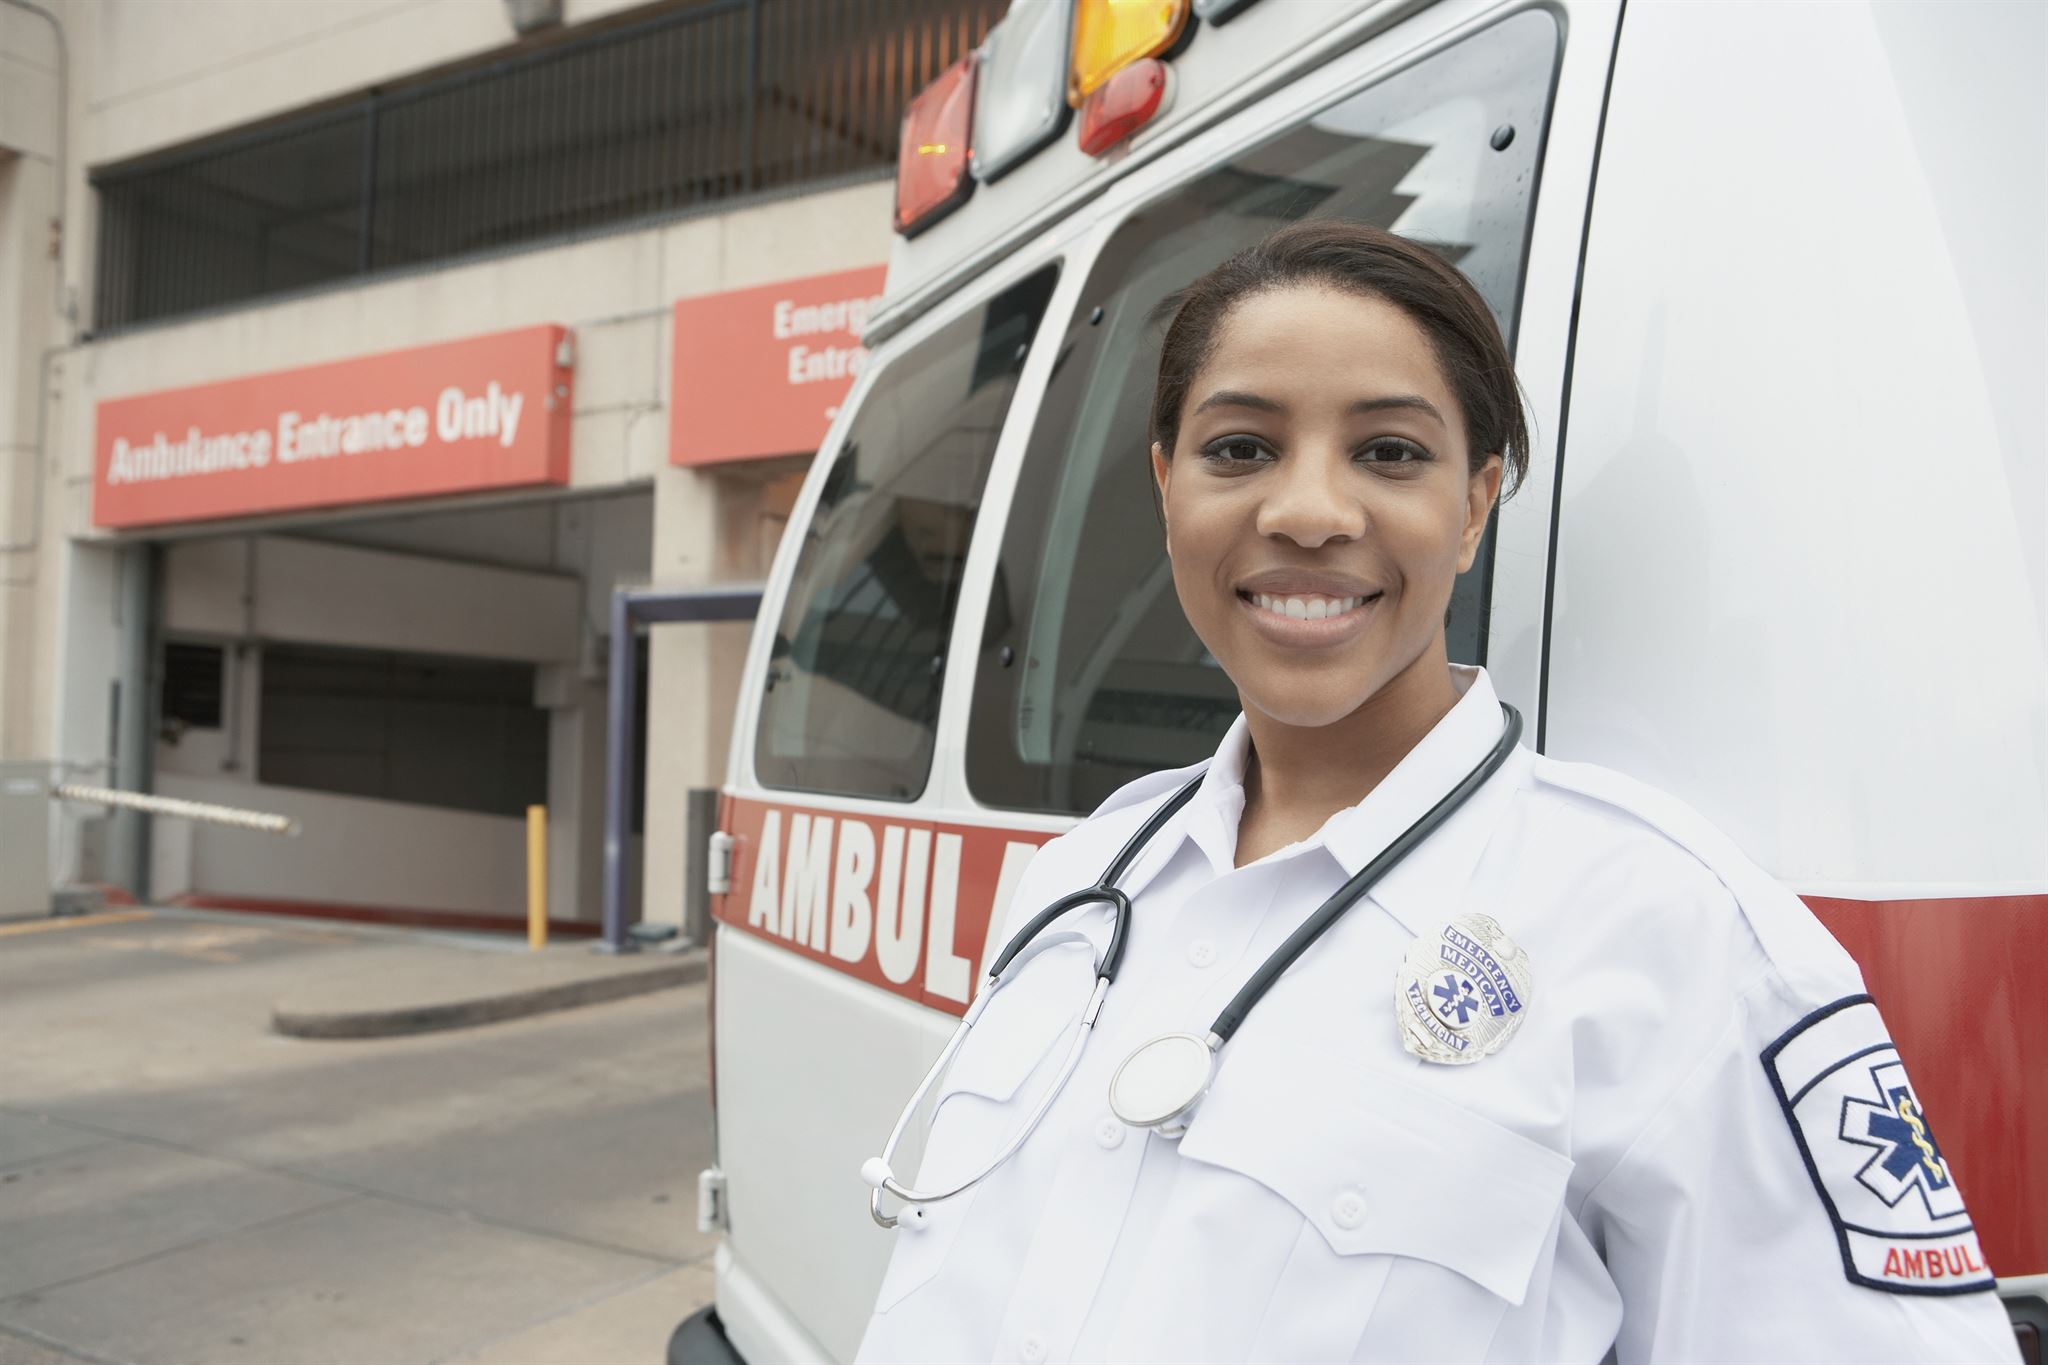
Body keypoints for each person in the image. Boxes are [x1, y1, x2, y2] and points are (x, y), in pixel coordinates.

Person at [854, 221, 2017, 1364]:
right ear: (1167, 489)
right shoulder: (1078, 882)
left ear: (1473, 504)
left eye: (1389, 454)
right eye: (1239, 449)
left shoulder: (1669, 931)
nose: (1306, 511)